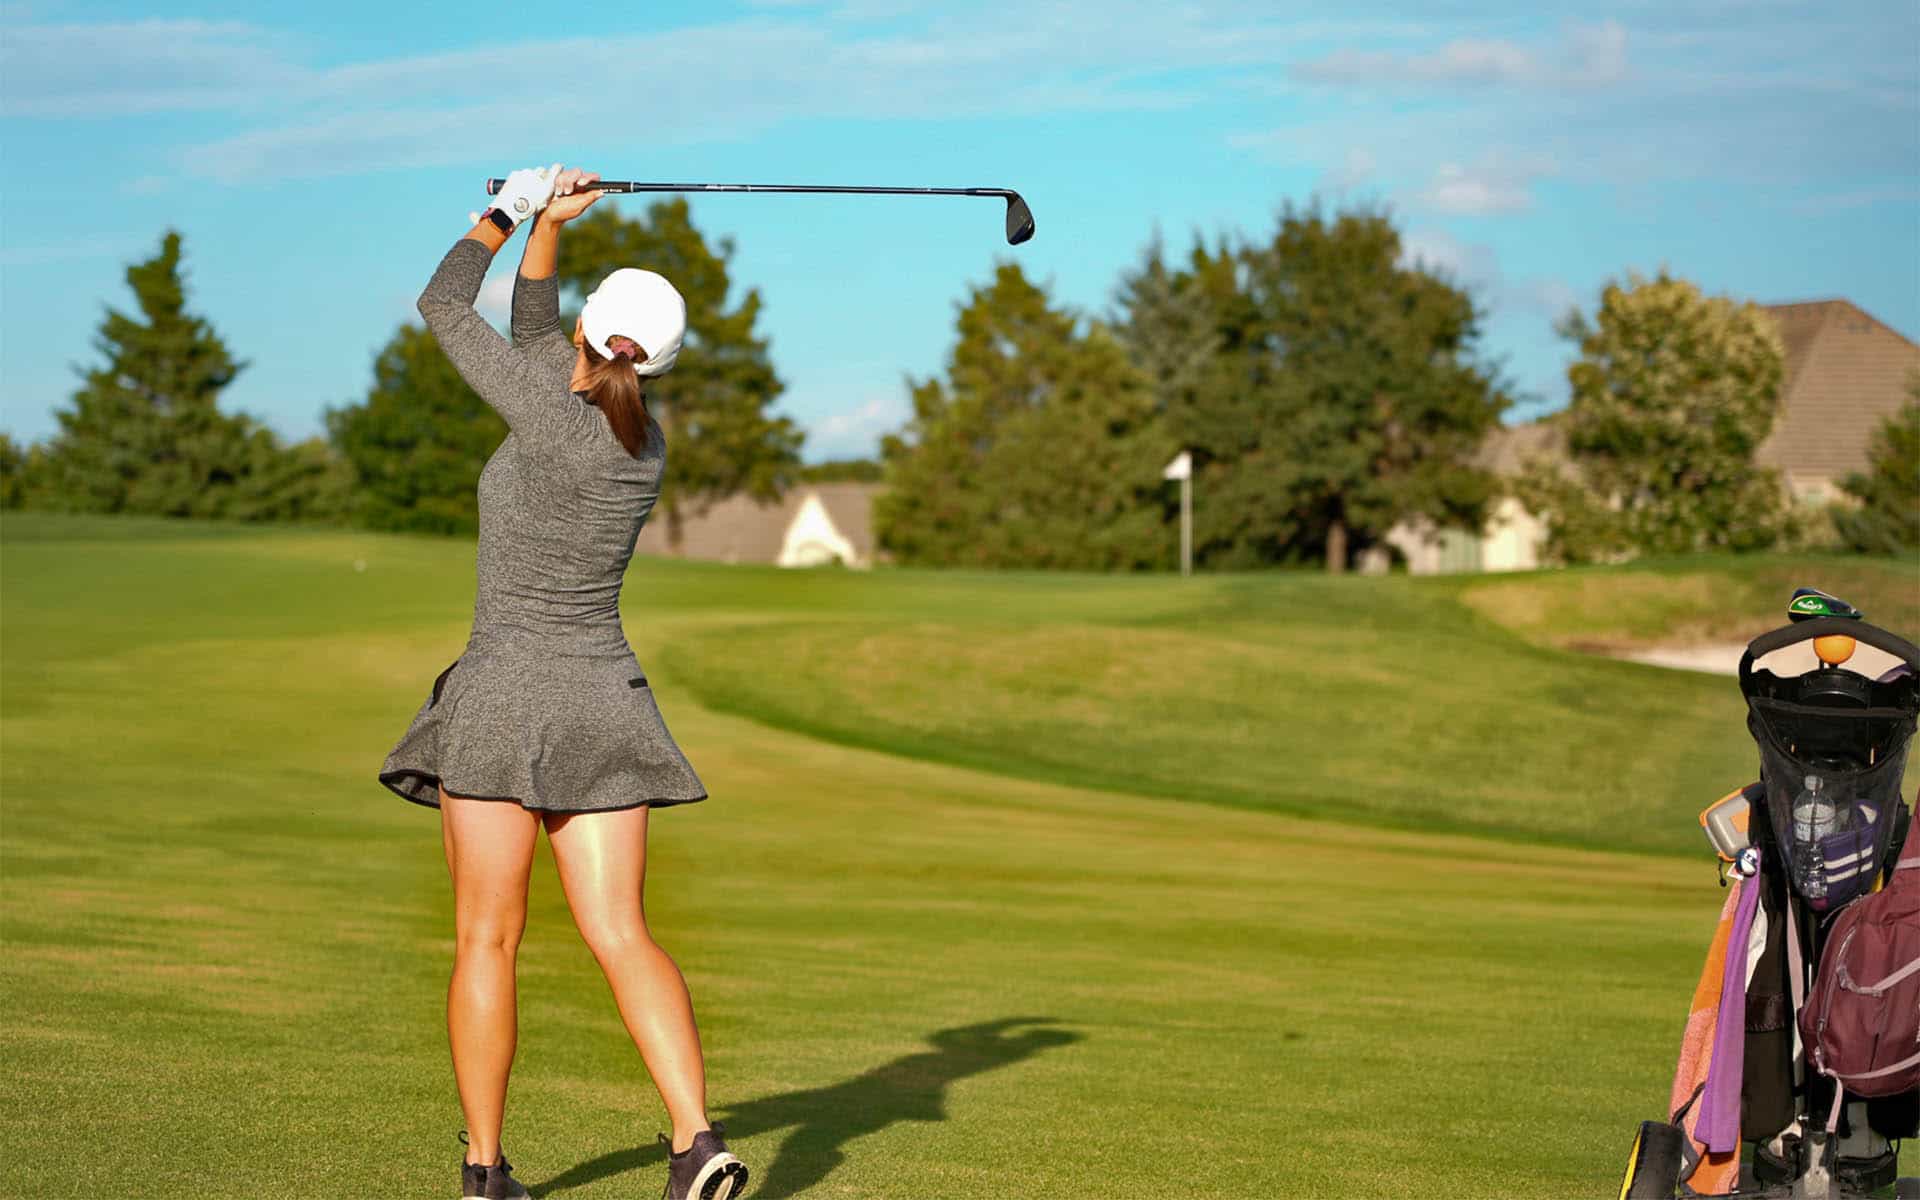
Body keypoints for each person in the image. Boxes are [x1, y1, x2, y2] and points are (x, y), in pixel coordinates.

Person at [377, 164, 749, 1200]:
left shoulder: (549, 409)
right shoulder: (641, 439)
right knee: (621, 932)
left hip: (501, 701)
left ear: (594, 330)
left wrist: (502, 214)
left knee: (487, 939)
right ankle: (695, 1143)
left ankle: (485, 1173)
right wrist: (551, 221)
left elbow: (444, 304)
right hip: (602, 705)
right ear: (658, 362)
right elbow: (539, 332)